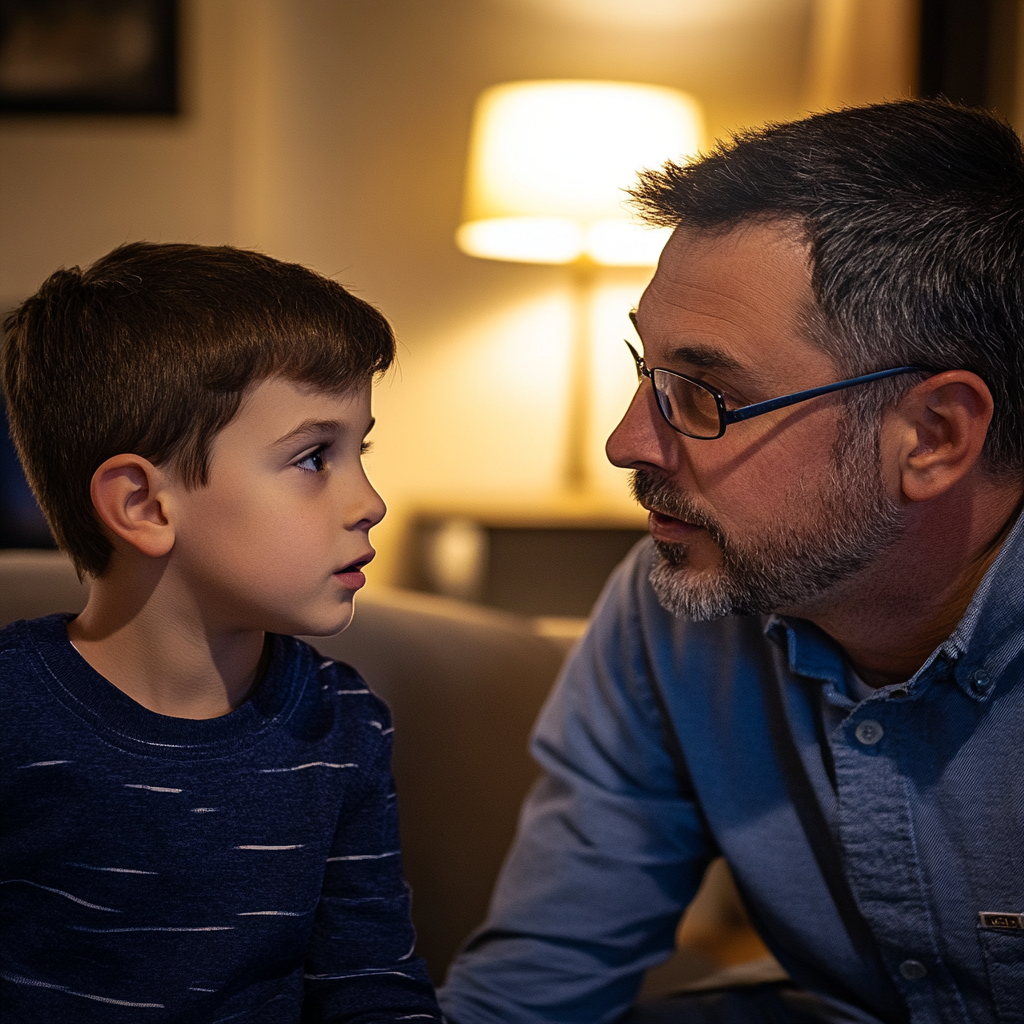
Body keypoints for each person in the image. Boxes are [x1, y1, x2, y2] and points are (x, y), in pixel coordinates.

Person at [439, 100, 1024, 1024]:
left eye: (703, 393)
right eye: (646, 371)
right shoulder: (670, 608)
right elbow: (538, 986)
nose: (627, 443)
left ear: (934, 436)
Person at [0, 243, 444, 1023]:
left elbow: (370, 986)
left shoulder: (344, 725)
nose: (370, 500)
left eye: (359, 450)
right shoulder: (12, 712)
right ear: (144, 504)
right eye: (314, 457)